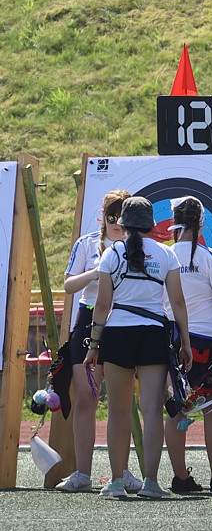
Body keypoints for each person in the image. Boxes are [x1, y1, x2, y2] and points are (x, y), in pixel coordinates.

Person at [84, 196, 192, 499]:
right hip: (153, 334)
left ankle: (117, 482)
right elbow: (178, 302)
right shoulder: (166, 254)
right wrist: (186, 342)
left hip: (117, 334)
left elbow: (102, 305)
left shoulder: (111, 254)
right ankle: (151, 482)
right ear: (150, 225)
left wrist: (93, 345)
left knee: (118, 411)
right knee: (152, 411)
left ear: (122, 224)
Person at [56, 190, 144, 493]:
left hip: (120, 320)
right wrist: (96, 272)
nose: (117, 221)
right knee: (85, 398)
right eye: (112, 215)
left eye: (122, 215)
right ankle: (82, 472)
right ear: (103, 216)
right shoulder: (87, 243)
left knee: (121, 402)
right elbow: (69, 284)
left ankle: (121, 472)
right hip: (89, 316)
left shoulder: (135, 247)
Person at [163, 196, 212, 494]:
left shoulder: (164, 256)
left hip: (174, 338)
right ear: (201, 223)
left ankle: (180, 478)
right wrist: (209, 317)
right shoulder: (209, 256)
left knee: (175, 408)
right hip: (211, 340)